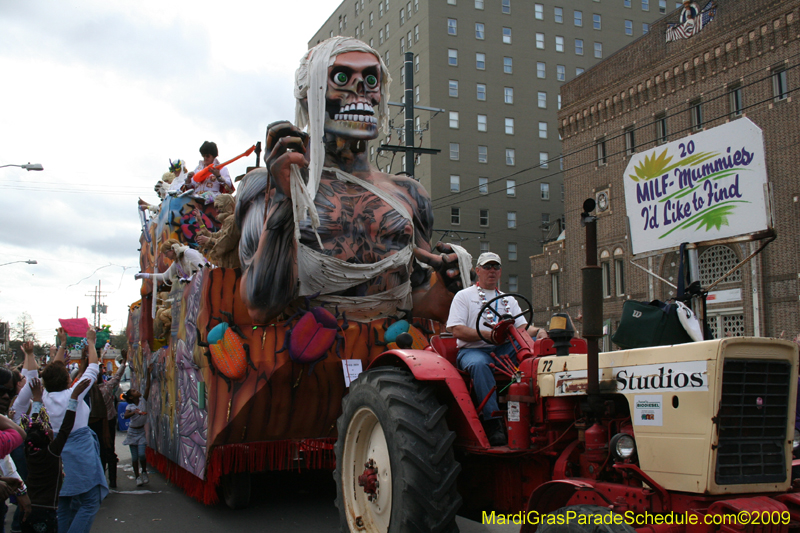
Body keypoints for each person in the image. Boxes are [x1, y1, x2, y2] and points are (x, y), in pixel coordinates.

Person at [237, 36, 465, 325]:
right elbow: (261, 306)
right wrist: (285, 201)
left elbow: (420, 305)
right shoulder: (268, 185)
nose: (361, 89)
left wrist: (446, 289)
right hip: (302, 357)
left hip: (387, 361)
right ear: (309, 96)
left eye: (371, 79)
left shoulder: (409, 194)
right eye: (342, 77)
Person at [16, 327, 108, 533]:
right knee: (90, 501)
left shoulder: (42, 396)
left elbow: (53, 371)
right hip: (81, 451)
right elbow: (93, 367)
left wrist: (62, 344)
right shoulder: (73, 394)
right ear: (68, 379)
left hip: (56, 454)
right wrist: (91, 342)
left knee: (63, 502)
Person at [446, 253, 541, 446]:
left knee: (535, 354)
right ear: (477, 271)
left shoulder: (508, 300)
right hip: (473, 350)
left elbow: (522, 328)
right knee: (481, 364)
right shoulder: (464, 296)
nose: (491, 271)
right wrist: (488, 335)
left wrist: (540, 332)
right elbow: (456, 329)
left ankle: (536, 411)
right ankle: (493, 422)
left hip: (504, 349)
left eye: (495, 267)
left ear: (500, 272)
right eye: (487, 267)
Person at [20, 377, 90, 533]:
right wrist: (73, 398)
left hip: (28, 509)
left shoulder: (29, 450)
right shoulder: (52, 452)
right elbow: (66, 427)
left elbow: (33, 428)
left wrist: (37, 400)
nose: (52, 430)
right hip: (46, 511)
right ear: (48, 438)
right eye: (48, 429)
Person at [87, 351, 127, 489]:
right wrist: (123, 362)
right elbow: (117, 376)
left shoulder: (87, 391)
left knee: (97, 452)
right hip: (108, 423)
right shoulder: (106, 388)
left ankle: (99, 480)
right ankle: (113, 481)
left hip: (93, 424)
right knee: (109, 450)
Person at [134, 239, 209, 285]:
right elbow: (165, 276)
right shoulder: (178, 262)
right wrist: (144, 275)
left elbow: (204, 268)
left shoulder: (188, 252)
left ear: (173, 249)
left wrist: (191, 278)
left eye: (166, 253)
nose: (166, 256)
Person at [122, 371, 151, 487]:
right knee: (134, 457)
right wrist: (134, 412)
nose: (137, 391)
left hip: (141, 432)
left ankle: (144, 471)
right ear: (131, 397)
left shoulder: (143, 401)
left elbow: (148, 386)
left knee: (142, 455)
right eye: (134, 391)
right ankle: (137, 476)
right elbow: (125, 416)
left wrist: (148, 372)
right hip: (132, 432)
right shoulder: (130, 406)